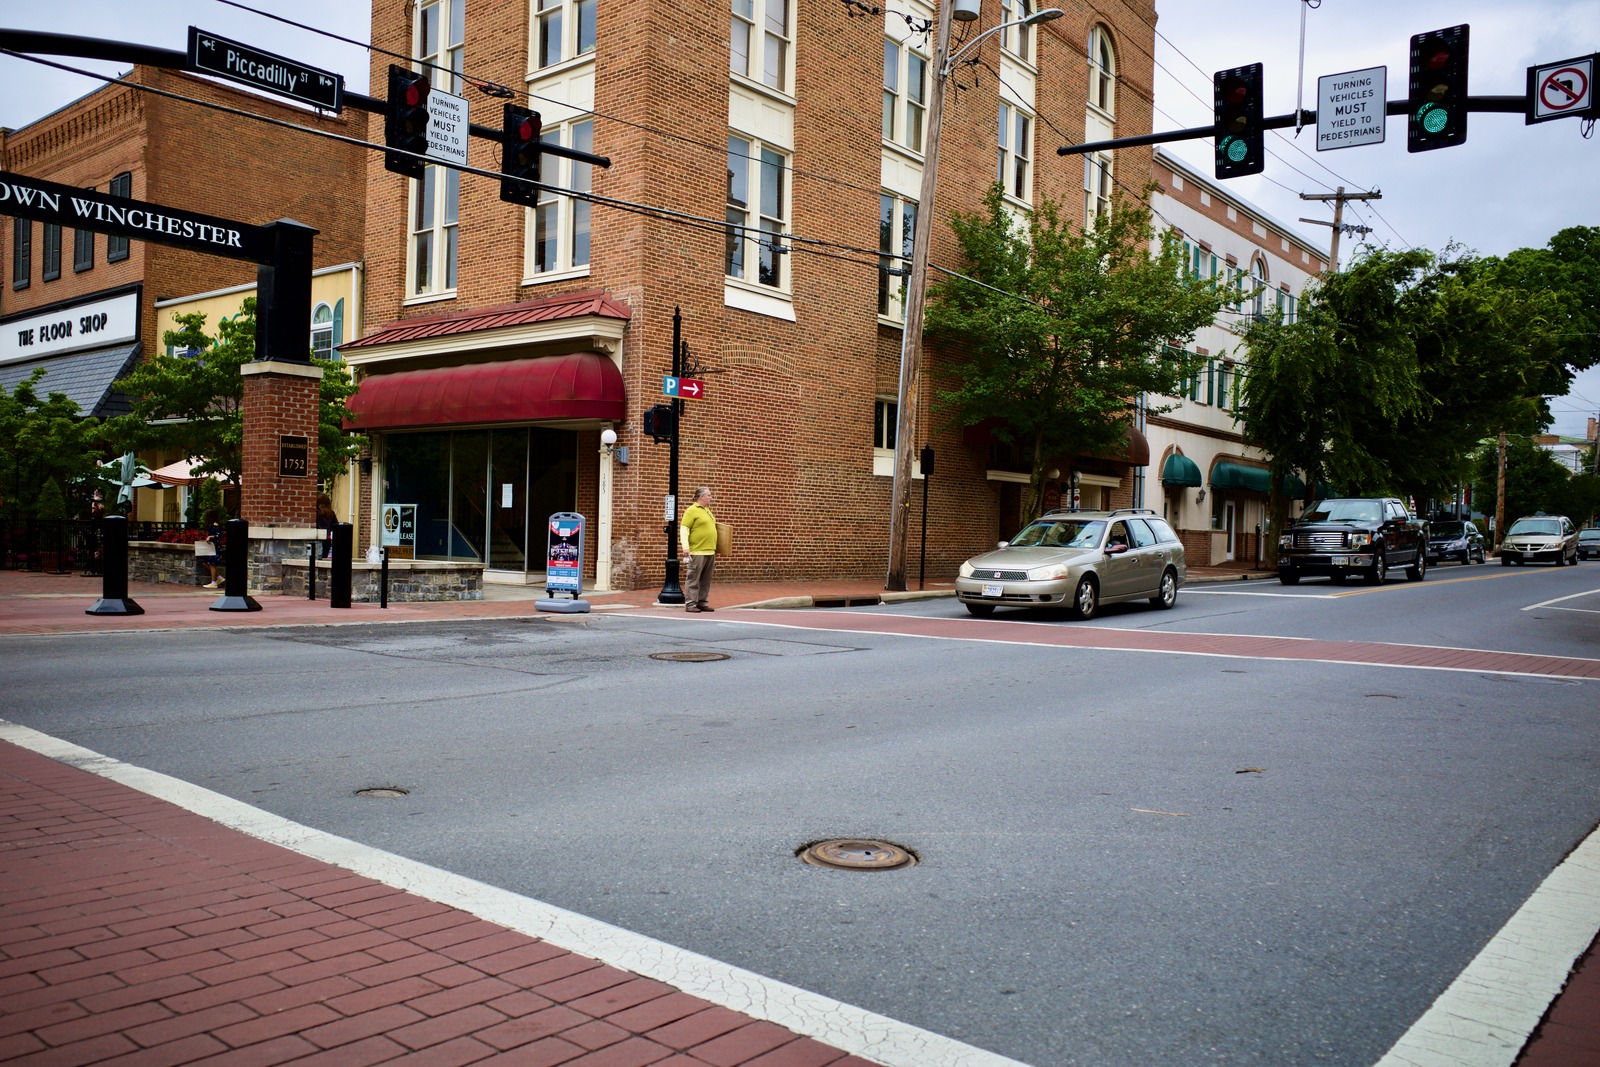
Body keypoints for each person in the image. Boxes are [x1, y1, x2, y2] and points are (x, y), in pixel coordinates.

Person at [678, 486, 717, 612]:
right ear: (701, 497)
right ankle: (690, 604)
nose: (711, 497)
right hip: (697, 551)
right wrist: (686, 547)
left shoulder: (707, 510)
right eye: (709, 495)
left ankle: (702, 602)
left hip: (710, 550)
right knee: (693, 578)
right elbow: (684, 529)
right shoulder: (691, 510)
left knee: (706, 580)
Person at [200, 508, 224, 588]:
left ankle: (214, 582)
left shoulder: (215, 525)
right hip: (210, 546)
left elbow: (219, 535)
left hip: (215, 547)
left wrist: (211, 537)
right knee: (205, 562)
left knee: (212, 564)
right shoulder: (210, 525)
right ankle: (218, 577)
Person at [315, 493, 337, 559]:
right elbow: (335, 526)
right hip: (327, 538)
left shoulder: (316, 513)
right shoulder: (331, 513)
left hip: (317, 537)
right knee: (324, 557)